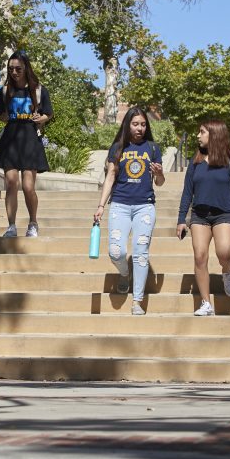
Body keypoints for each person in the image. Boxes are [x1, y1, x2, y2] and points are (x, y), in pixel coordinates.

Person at [93, 107, 165, 315]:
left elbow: (159, 183)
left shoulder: (153, 148)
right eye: (136, 124)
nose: (140, 128)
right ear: (127, 125)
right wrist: (101, 206)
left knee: (141, 252)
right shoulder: (117, 148)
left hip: (145, 206)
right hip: (120, 205)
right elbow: (110, 177)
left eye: (143, 124)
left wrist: (159, 174)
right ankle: (125, 274)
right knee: (116, 251)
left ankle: (137, 301)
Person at [176, 120, 230, 316]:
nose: (198, 136)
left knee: (224, 252)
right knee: (200, 256)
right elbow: (187, 193)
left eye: (202, 132)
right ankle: (206, 303)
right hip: (199, 215)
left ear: (214, 135)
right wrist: (182, 218)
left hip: (224, 213)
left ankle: (226, 271)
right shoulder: (196, 162)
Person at [0, 51, 52, 237]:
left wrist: (39, 118)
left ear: (26, 68)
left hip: (29, 140)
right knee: (11, 183)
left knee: (28, 186)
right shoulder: (4, 91)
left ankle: (33, 222)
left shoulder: (38, 90)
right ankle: (11, 226)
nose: (14, 72)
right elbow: (0, 114)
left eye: (18, 68)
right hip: (11, 140)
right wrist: (7, 117)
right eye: (11, 69)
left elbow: (48, 114)